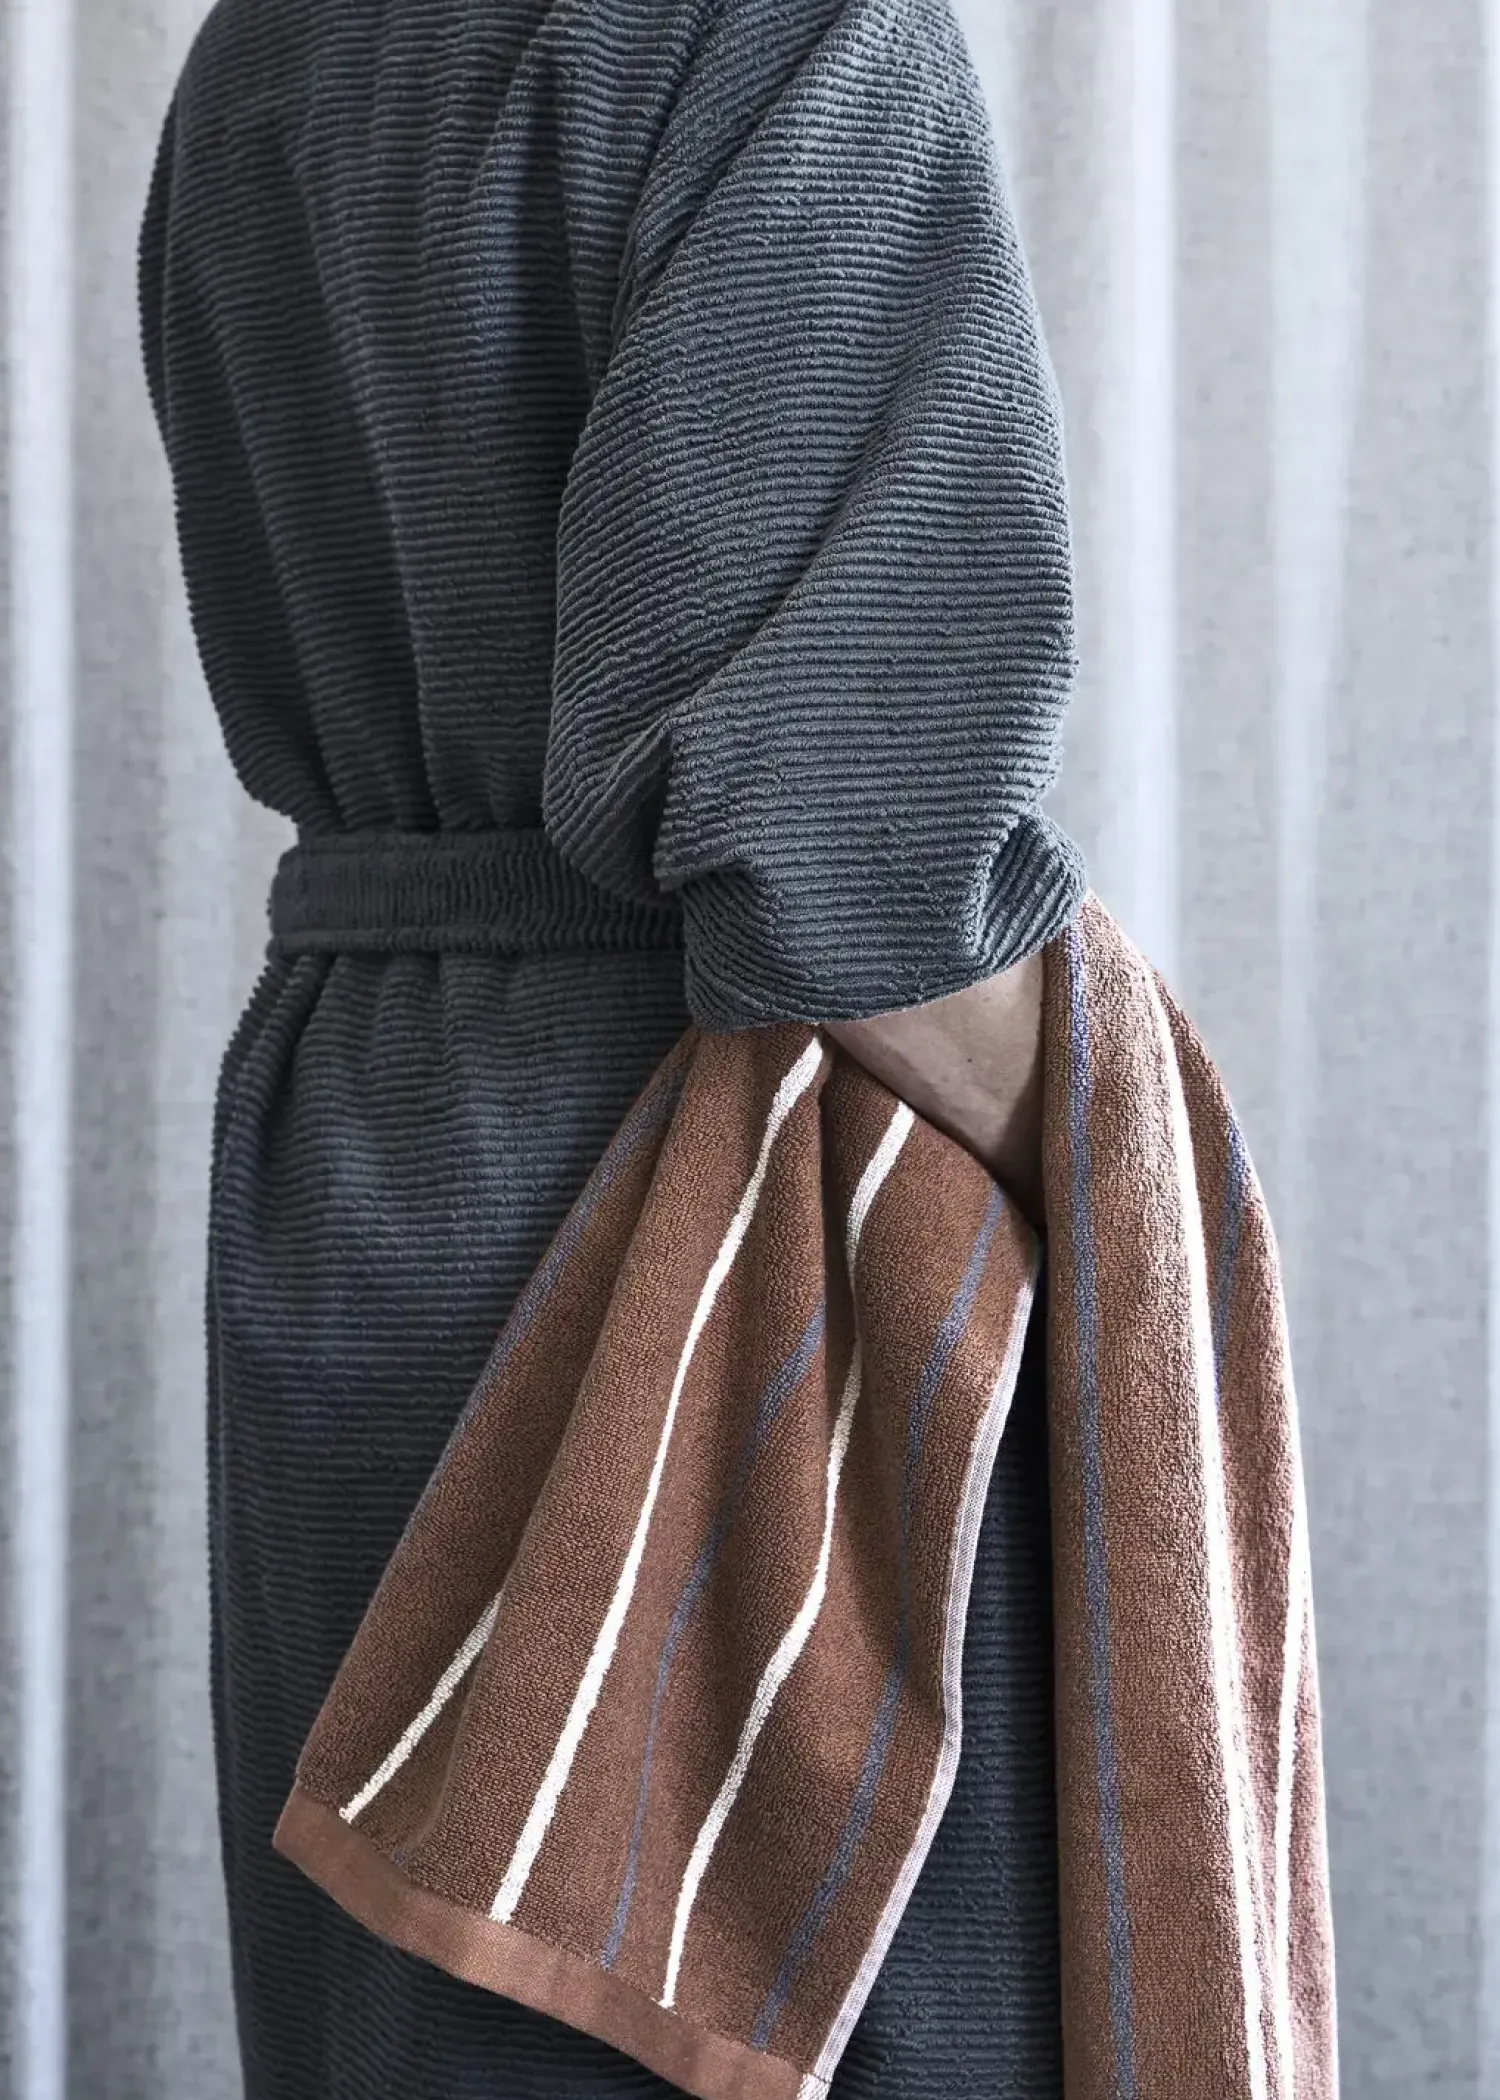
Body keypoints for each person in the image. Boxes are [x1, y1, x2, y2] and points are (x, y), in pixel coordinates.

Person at [138, 0, 1086, 2091]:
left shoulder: (258, 49)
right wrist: (1131, 1169)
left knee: (416, 2020)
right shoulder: (777, 25)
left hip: (352, 1153)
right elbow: (833, 841)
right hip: (721, 1164)